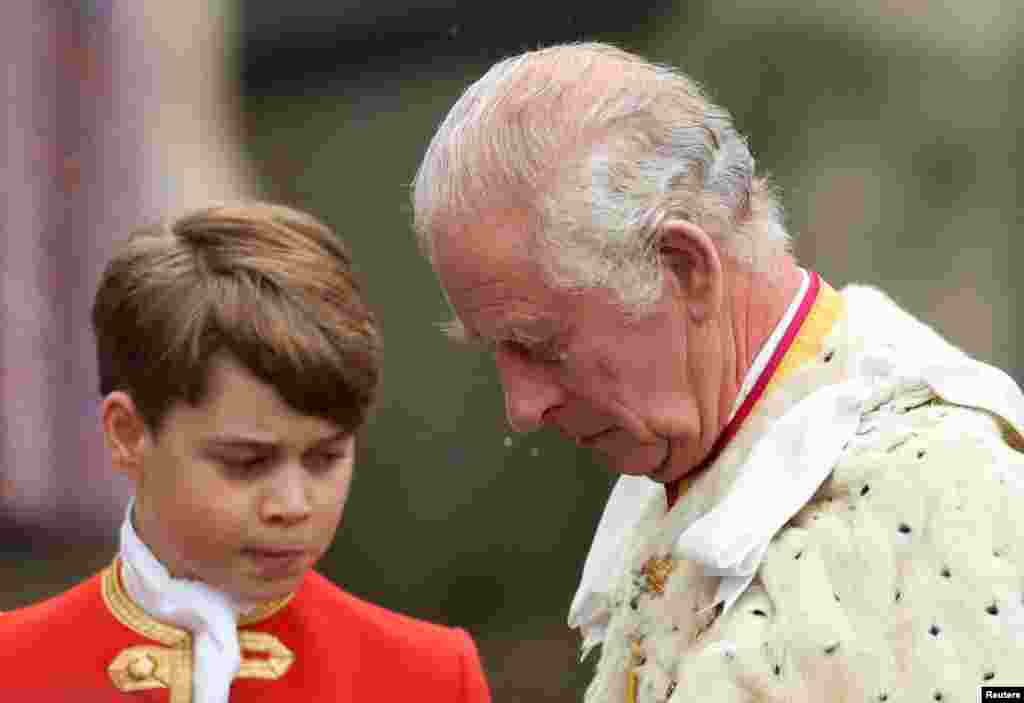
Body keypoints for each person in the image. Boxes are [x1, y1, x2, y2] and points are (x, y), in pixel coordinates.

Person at [411, 42, 1024, 702]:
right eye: (493, 349)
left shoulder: (941, 489)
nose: (520, 407)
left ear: (683, 267)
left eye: (540, 343)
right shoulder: (687, 466)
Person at [0, 203, 492, 702]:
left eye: (326, 458)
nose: (293, 505)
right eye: (247, 462)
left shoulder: (428, 679)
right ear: (128, 434)